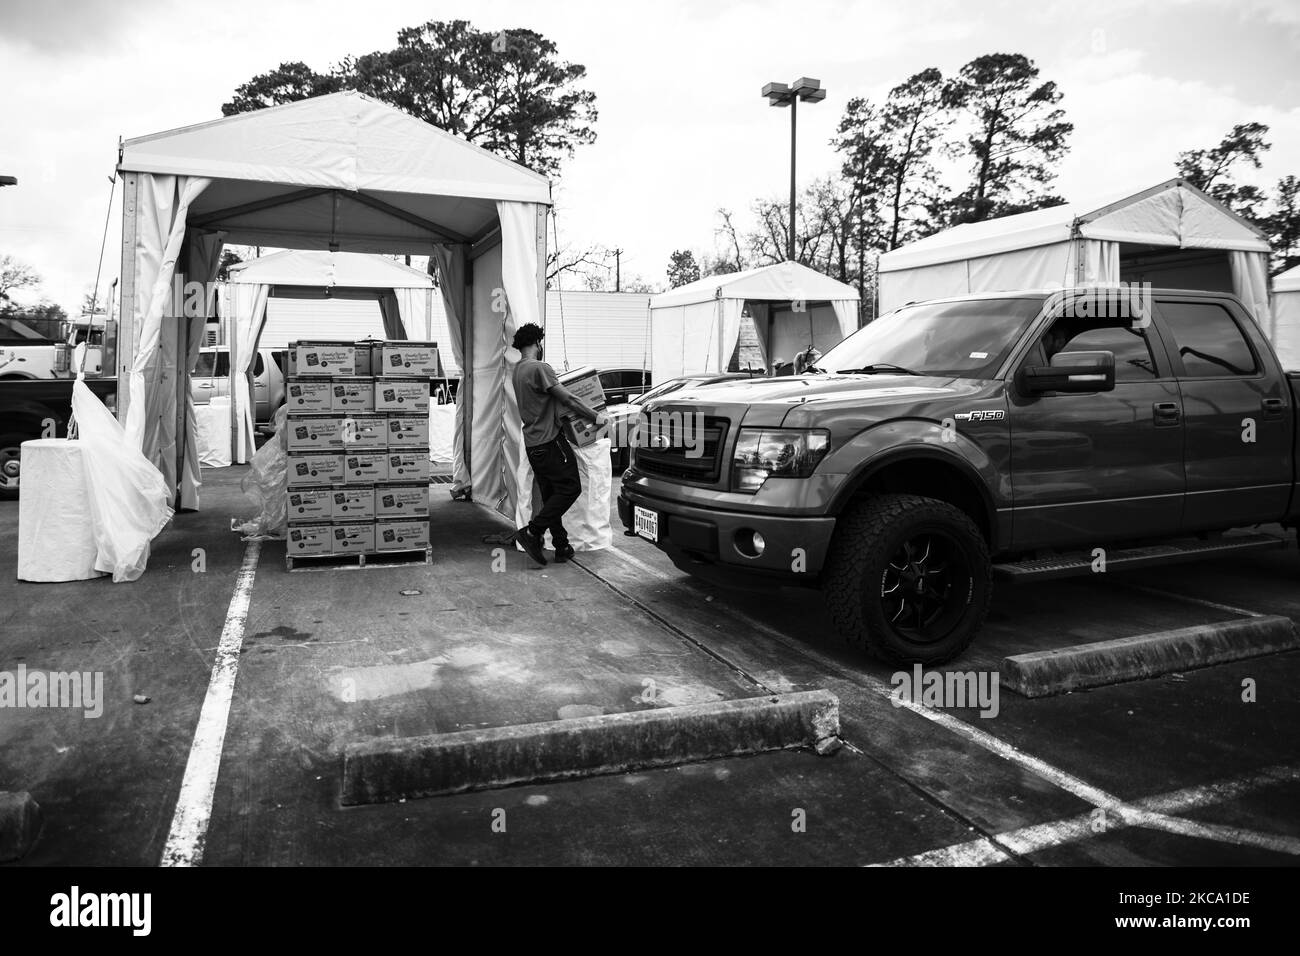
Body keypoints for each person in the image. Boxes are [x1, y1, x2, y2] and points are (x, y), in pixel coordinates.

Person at [510, 323, 606, 566]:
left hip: (533, 445)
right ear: (537, 343)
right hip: (550, 442)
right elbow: (570, 399)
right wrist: (597, 417)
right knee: (570, 488)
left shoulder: (518, 370)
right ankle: (533, 531)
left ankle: (561, 546)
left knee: (551, 493)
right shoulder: (539, 367)